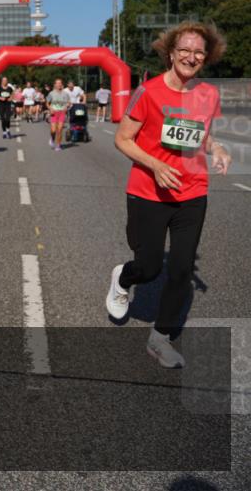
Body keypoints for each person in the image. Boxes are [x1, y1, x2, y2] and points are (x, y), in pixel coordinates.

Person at [106, 21, 230, 369]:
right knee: (148, 269)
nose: (191, 57)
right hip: (148, 192)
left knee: (180, 270)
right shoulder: (148, 92)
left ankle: (160, 339)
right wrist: (156, 165)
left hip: (192, 192)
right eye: (185, 50)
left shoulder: (208, 94)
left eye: (199, 52)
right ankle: (123, 277)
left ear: (206, 57)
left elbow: (202, 135)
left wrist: (218, 148)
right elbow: (122, 139)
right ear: (171, 53)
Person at [45, 78, 71, 151]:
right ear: (55, 85)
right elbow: (47, 103)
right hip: (54, 113)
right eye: (57, 83)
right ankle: (52, 139)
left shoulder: (65, 94)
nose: (59, 84)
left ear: (62, 84)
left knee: (59, 130)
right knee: (53, 130)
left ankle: (58, 145)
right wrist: (50, 109)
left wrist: (67, 106)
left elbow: (69, 102)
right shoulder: (51, 93)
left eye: (60, 83)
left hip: (62, 113)